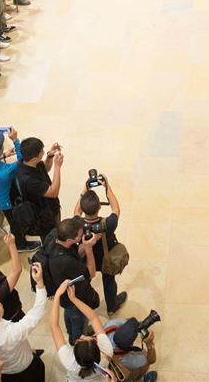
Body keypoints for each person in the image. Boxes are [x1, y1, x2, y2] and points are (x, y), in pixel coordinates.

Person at [39, 217, 101, 344]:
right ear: (69, 240)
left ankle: (71, 332)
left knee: (68, 315)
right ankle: (76, 341)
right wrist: (88, 248)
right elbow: (92, 273)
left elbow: (75, 254)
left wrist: (83, 244)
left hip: (63, 296)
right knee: (79, 320)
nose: (82, 236)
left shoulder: (53, 236)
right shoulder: (66, 262)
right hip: (74, 299)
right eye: (79, 236)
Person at [0, 130, 41, 252]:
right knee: (15, 222)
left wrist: (4, 155)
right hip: (7, 201)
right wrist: (16, 140)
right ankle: (20, 245)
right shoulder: (5, 171)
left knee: (13, 219)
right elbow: (23, 162)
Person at [75, 176, 127, 316]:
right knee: (109, 281)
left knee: (85, 282)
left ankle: (85, 308)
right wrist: (107, 187)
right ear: (99, 207)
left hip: (85, 259)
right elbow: (115, 208)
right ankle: (111, 306)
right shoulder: (108, 224)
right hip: (106, 258)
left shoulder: (77, 223)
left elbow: (76, 211)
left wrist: (85, 190)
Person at [50, 280, 115, 382]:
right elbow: (93, 318)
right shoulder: (107, 352)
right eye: (87, 338)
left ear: (75, 355)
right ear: (98, 347)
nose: (81, 336)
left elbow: (54, 326)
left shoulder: (69, 362)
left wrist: (57, 294)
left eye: (79, 340)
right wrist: (74, 299)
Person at [15, 137, 63, 241]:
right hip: (44, 216)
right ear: (34, 158)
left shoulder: (26, 161)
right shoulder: (29, 180)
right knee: (51, 237)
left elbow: (45, 168)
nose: (44, 152)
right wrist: (57, 167)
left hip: (50, 207)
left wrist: (49, 156)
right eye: (42, 151)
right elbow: (53, 192)